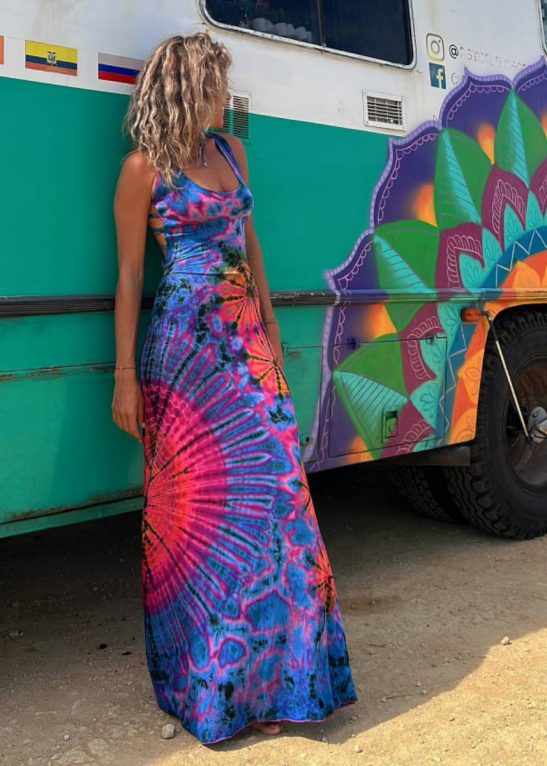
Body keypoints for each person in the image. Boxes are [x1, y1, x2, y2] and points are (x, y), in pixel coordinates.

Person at [112, 30, 358, 745]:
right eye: (218, 83)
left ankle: (286, 680)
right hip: (183, 357)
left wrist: (272, 327)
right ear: (190, 89)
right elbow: (130, 276)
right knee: (201, 515)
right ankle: (214, 687)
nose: (227, 94)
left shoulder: (231, 153)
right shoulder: (142, 169)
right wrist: (124, 377)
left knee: (280, 496)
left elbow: (252, 248)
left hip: (245, 343)